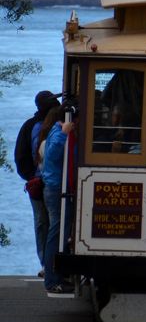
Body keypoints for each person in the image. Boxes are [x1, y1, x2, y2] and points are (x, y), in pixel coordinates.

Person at [13, 90, 60, 276]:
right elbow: (21, 155)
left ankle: (49, 263)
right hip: (42, 181)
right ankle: (48, 263)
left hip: (41, 180)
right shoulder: (32, 126)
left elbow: (20, 156)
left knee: (43, 223)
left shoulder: (32, 126)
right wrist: (31, 176)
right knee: (49, 222)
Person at [42, 106, 77, 295]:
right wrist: (65, 133)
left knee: (59, 233)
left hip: (56, 187)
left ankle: (57, 276)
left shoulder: (54, 131)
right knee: (56, 234)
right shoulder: (58, 133)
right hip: (56, 189)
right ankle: (52, 280)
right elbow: (53, 154)